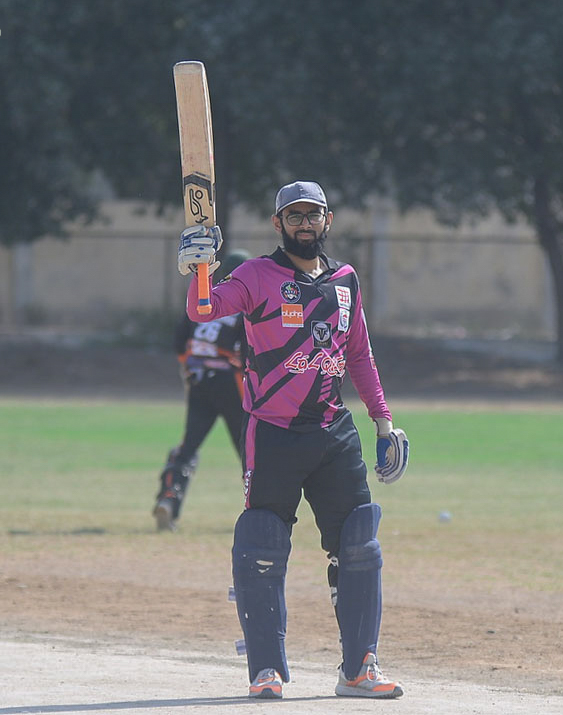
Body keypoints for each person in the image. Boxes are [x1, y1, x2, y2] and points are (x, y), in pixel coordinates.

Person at [177, 181, 409, 699]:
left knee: (359, 543)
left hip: (334, 431)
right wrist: (199, 270)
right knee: (261, 542)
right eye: (295, 216)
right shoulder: (256, 275)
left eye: (313, 215)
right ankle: (266, 671)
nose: (305, 224)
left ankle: (359, 669)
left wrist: (383, 422)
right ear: (278, 223)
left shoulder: (346, 281)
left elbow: (359, 355)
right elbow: (203, 310)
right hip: (273, 431)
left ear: (328, 220)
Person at [153, 251, 250, 532]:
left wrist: (189, 368)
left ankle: (168, 499)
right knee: (249, 450)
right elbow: (248, 353)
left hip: (198, 379)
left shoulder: (205, 300)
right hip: (230, 383)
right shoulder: (244, 308)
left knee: (188, 447)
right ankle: (262, 509)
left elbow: (179, 340)